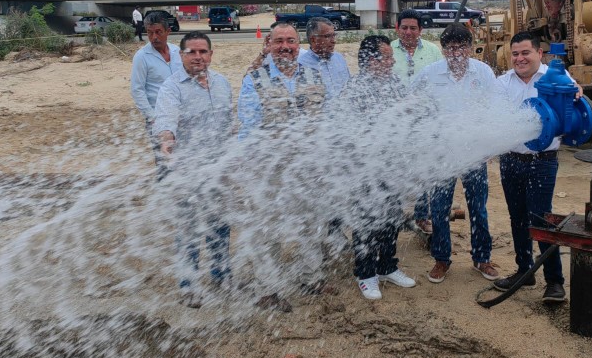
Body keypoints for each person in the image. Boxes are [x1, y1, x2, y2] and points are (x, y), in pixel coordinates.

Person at [238, 22, 327, 311]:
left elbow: (325, 122)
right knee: (267, 230)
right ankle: (268, 290)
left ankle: (310, 277)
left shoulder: (315, 75)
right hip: (268, 171)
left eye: (290, 41)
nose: (285, 46)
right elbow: (248, 128)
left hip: (308, 169)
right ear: (269, 45)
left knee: (311, 223)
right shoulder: (254, 79)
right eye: (279, 41)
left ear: (299, 45)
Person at [493, 32, 580, 303]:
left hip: (542, 161)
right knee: (517, 217)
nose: (520, 59)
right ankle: (524, 271)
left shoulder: (557, 79)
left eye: (525, 53)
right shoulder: (501, 84)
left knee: (541, 219)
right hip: (510, 159)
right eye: (515, 54)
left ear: (539, 53)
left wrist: (578, 93)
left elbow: (575, 98)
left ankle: (554, 282)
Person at [412, 22, 500, 284]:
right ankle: (441, 259)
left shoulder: (483, 73)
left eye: (461, 47)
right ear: (443, 50)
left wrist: (490, 146)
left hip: (474, 154)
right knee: (439, 209)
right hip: (441, 154)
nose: (456, 53)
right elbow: (408, 100)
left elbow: (495, 109)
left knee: (478, 208)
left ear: (471, 48)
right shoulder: (430, 74)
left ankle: (482, 258)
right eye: (450, 48)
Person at [153, 32, 232, 308]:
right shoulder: (171, 87)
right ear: (181, 55)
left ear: (211, 54)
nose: (198, 57)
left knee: (220, 225)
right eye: (191, 52)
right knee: (189, 228)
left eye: (203, 51)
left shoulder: (222, 83)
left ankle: (221, 277)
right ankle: (188, 285)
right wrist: (166, 141)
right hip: (187, 170)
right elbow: (165, 118)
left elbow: (227, 125)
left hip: (218, 168)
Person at [340, 35, 417, 300]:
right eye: (387, 56)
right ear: (372, 60)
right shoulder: (354, 88)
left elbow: (407, 113)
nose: (392, 60)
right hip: (364, 169)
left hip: (392, 167)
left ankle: (387, 266)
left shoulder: (394, 82)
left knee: (392, 219)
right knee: (366, 222)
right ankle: (365, 274)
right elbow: (351, 131)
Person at [389, 9, 443, 234]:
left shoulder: (432, 52)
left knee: (424, 171)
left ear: (421, 30)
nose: (408, 32)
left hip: (425, 123)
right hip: (394, 123)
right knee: (393, 171)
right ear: (397, 28)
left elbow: (440, 83)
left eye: (413, 28)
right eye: (404, 28)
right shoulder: (388, 50)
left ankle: (422, 216)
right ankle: (393, 217)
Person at [130, 11, 183, 146]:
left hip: (181, 116)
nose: (154, 37)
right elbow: (137, 90)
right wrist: (152, 117)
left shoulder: (177, 51)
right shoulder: (141, 56)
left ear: (168, 31)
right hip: (158, 117)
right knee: (164, 161)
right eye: (150, 33)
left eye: (158, 32)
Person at [298, 17, 351, 99]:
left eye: (334, 35)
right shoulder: (301, 65)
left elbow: (349, 87)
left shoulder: (339, 59)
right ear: (313, 39)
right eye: (328, 36)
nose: (333, 41)